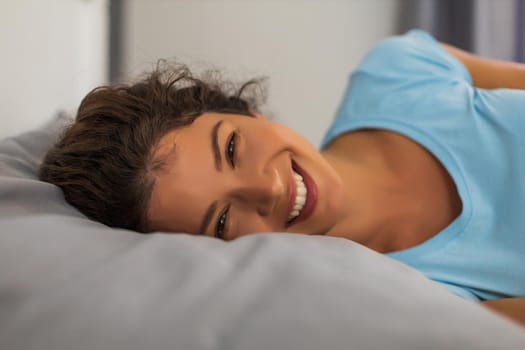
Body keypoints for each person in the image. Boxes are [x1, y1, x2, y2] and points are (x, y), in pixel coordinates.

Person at [39, 30, 525, 326]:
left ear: (244, 110)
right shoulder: (409, 301)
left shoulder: (396, 71)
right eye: (223, 220)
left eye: (231, 148)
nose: (268, 189)